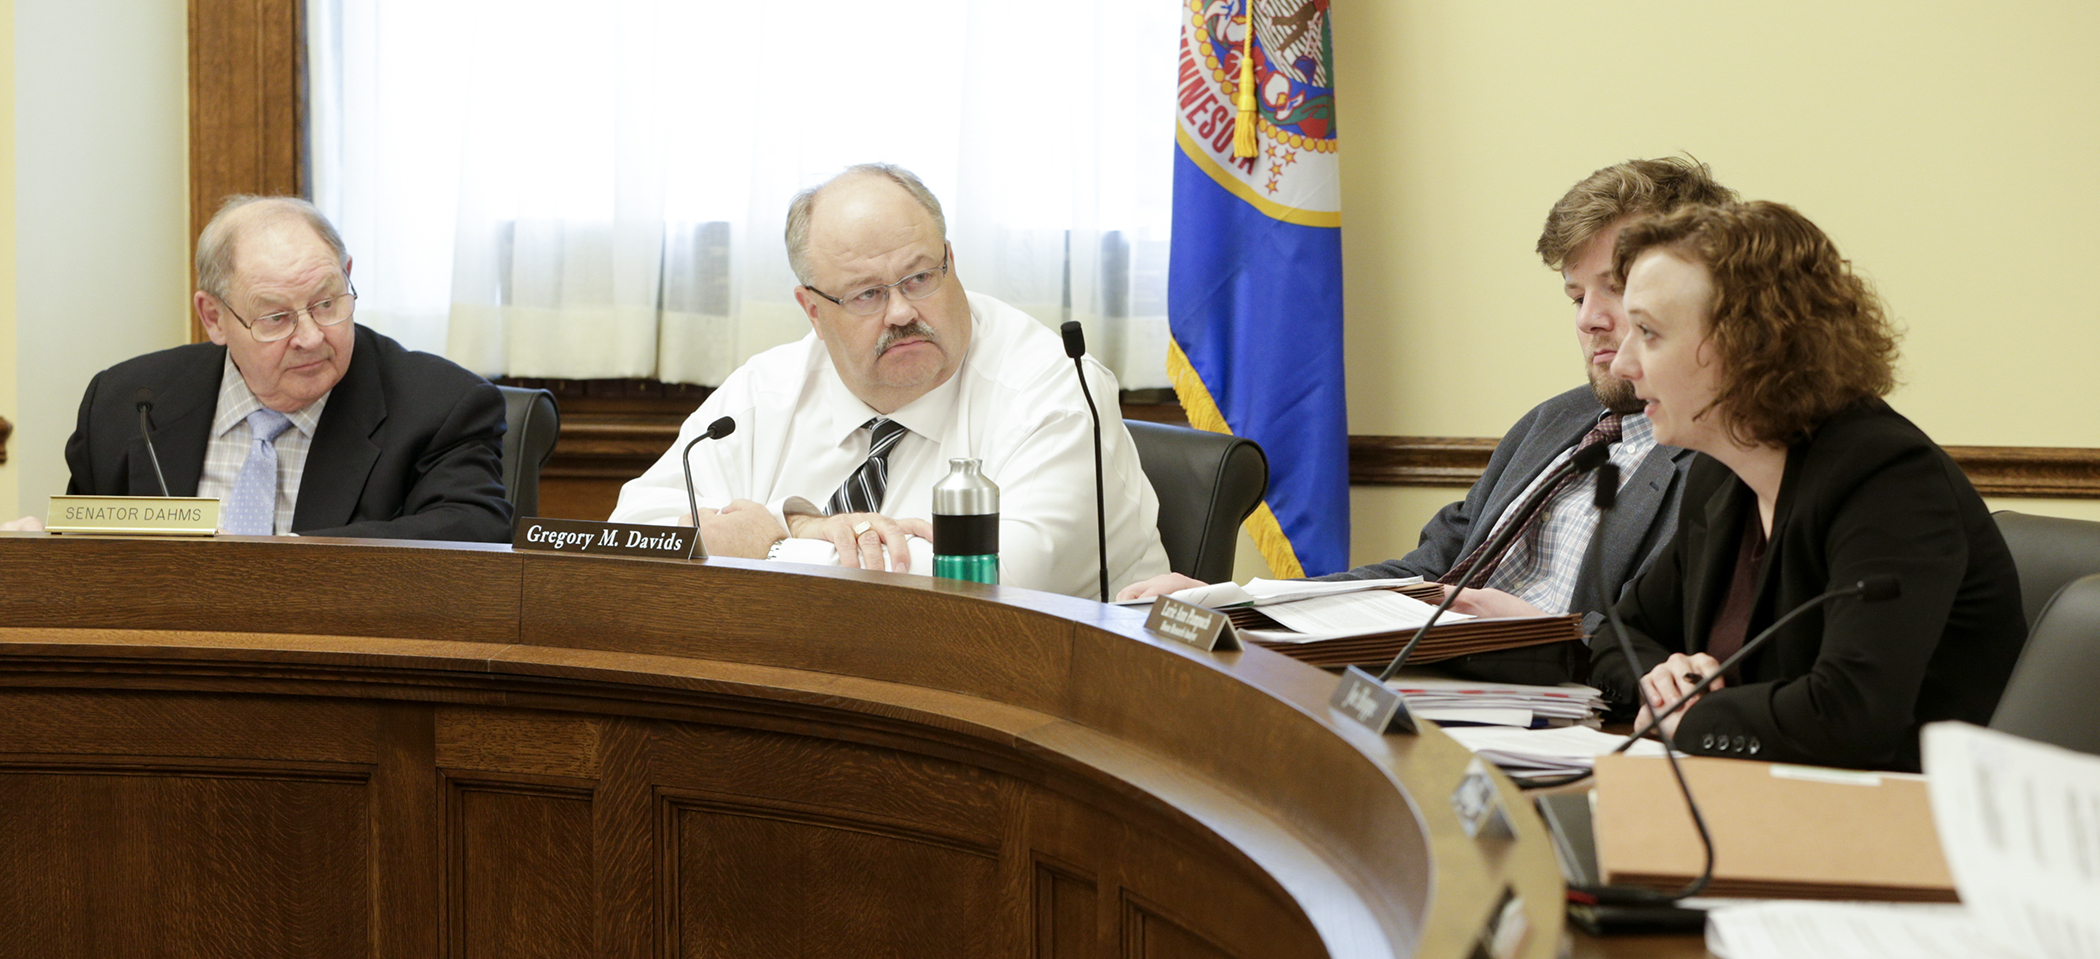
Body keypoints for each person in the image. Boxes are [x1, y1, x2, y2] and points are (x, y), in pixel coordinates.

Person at [1120, 158, 1734, 684]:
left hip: (1560, 708)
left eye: (1617, 290)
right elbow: (1426, 572)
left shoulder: (1723, 452)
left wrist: (1551, 633)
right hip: (1430, 684)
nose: (1590, 319)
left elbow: (1671, 646)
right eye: (1577, 296)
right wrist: (1242, 602)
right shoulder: (1557, 421)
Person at [1592, 200, 2025, 772]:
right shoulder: (1722, 474)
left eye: (1647, 332)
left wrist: (1691, 720)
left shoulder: (1888, 481)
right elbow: (1620, 633)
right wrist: (1662, 680)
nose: (1623, 364)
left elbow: (1851, 714)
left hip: (1896, 828)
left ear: (1750, 345)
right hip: (1754, 801)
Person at [609, 163, 1169, 599]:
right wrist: (804, 531)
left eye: (919, 277)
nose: (901, 312)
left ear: (951, 261)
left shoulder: (1055, 392)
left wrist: (777, 544)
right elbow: (627, 535)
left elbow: (983, 584)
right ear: (813, 311)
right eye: (867, 294)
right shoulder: (765, 393)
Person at [34, 196, 512, 541]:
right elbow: (83, 550)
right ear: (214, 317)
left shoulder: (441, 405)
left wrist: (288, 561)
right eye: (276, 317)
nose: (310, 336)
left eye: (327, 303)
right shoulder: (124, 404)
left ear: (349, 274)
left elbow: (475, 528)